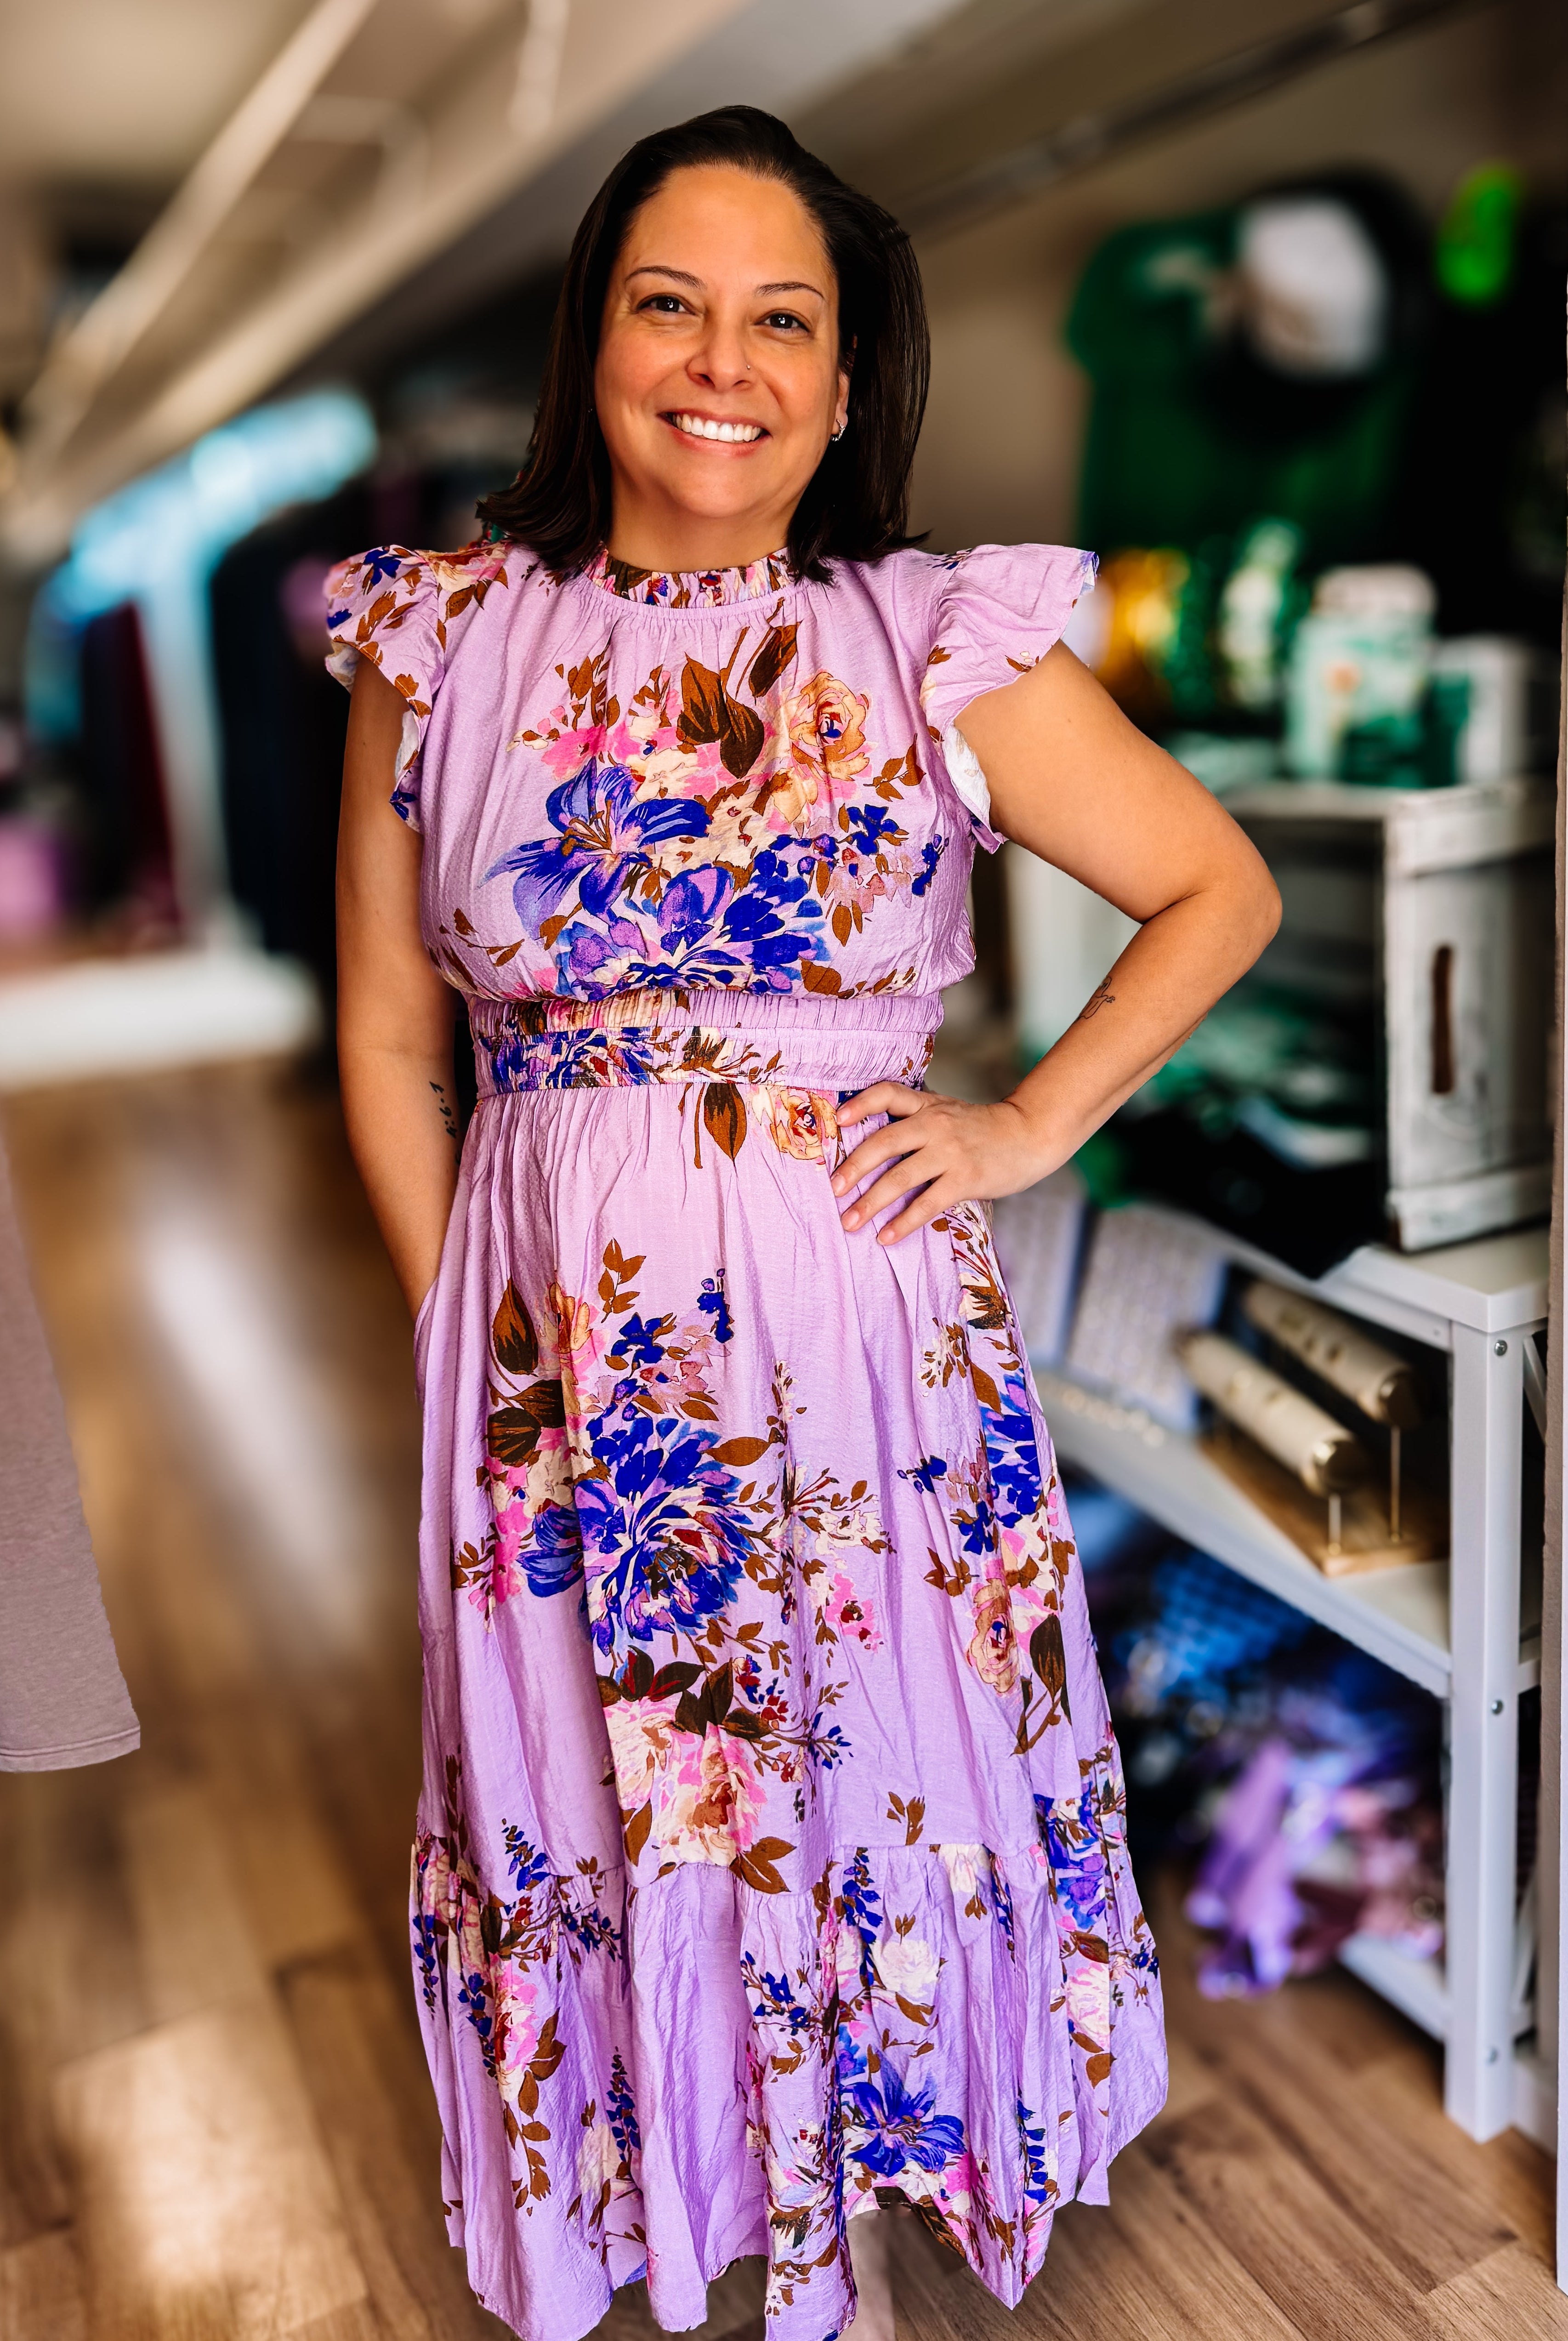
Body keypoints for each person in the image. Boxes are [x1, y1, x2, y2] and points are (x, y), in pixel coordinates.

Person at [330, 104, 1278, 2341]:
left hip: (866, 1346)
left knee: (872, 1780)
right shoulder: (439, 641)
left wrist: (1030, 1120)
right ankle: (684, 2211)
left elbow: (1210, 884)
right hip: (558, 1372)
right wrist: (462, 1327)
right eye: (670, 302)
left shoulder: (930, 634)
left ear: (846, 383)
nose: (721, 361)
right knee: (599, 1787)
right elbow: (389, 1046)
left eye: (786, 317)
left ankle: (878, 2184)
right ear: (594, 346)